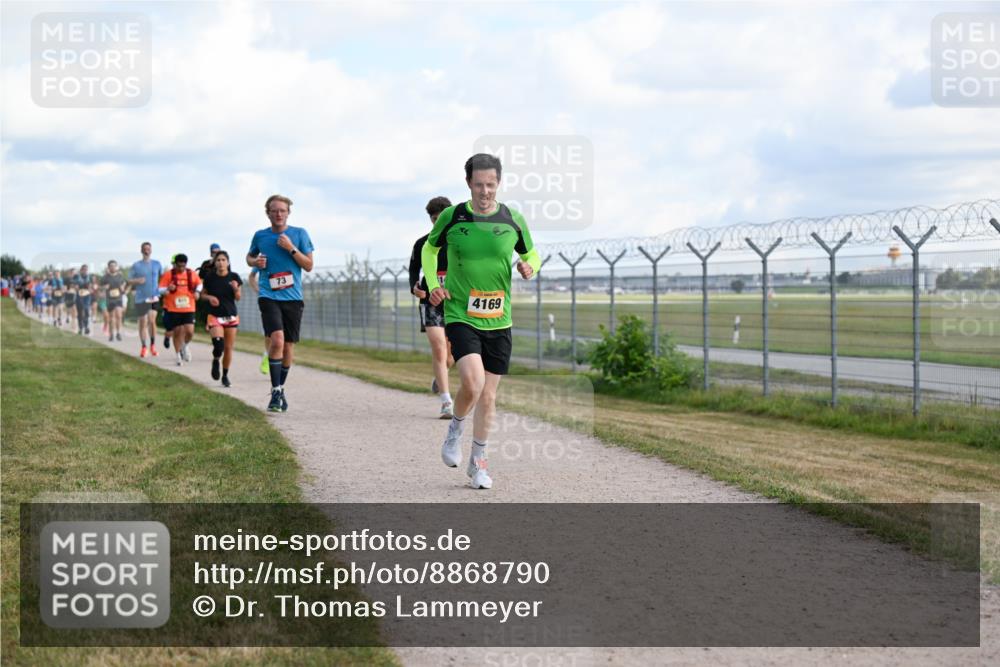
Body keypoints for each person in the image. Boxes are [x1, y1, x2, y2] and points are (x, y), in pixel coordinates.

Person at [421, 153, 541, 490]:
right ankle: (455, 430)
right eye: (479, 185)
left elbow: (531, 252)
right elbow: (430, 251)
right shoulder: (453, 216)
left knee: (488, 397)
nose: (485, 191)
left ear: (498, 183)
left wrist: (531, 266)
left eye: (490, 185)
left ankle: (479, 463)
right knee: (472, 384)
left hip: (499, 318)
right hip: (461, 313)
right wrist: (434, 285)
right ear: (468, 183)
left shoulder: (512, 218)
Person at [246, 194, 314, 412]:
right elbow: (249, 257)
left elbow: (309, 265)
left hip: (293, 298)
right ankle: (275, 392)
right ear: (268, 213)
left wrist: (291, 248)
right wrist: (255, 261)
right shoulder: (260, 236)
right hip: (269, 295)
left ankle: (281, 388)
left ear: (288, 213)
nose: (278, 214)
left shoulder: (299, 234)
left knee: (288, 346)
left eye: (282, 210)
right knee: (276, 340)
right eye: (274, 210)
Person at [409, 195, 455, 418]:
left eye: (441, 218)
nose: (438, 223)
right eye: (434, 219)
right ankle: (446, 401)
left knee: (451, 355)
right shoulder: (422, 244)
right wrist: (414, 288)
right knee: (439, 348)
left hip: (455, 302)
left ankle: (441, 376)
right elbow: (413, 271)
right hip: (430, 301)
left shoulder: (458, 242)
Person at [199, 250, 242, 387]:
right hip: (215, 316)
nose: (221, 262)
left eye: (223, 260)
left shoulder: (234, 277)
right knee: (219, 345)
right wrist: (210, 297)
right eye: (218, 260)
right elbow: (202, 295)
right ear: (215, 263)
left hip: (230, 316)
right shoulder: (210, 278)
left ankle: (225, 375)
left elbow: (238, 297)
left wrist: (235, 289)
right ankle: (216, 359)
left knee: (228, 348)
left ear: (228, 262)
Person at [158, 254, 201, 365]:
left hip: (189, 307)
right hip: (174, 308)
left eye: (183, 266)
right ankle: (178, 356)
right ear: (175, 264)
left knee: (190, 331)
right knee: (177, 332)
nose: (181, 268)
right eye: (179, 266)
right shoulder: (168, 275)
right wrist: (167, 289)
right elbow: (160, 289)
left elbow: (199, 284)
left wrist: (197, 292)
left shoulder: (191, 273)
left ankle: (185, 346)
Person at [129, 242, 163, 357]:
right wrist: (137, 281)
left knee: (152, 320)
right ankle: (144, 346)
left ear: (151, 250)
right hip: (140, 298)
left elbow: (162, 279)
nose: (146, 250)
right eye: (144, 249)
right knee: (142, 323)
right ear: (141, 250)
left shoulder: (157, 264)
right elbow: (129, 280)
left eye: (148, 248)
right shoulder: (136, 265)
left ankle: (153, 345)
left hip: (153, 296)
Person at [247, 267, 269, 375]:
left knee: (285, 338)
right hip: (270, 300)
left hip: (289, 299)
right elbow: (252, 276)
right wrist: (259, 291)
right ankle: (267, 354)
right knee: (270, 334)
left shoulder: (290, 254)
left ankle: (278, 362)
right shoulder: (264, 255)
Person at [101, 260, 128, 342]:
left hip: (118, 298)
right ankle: (111, 334)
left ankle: (118, 333)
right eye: (111, 266)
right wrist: (104, 287)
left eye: (114, 266)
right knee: (111, 317)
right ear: (108, 267)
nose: (113, 267)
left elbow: (123, 286)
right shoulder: (105, 277)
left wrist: (123, 288)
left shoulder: (120, 276)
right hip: (110, 299)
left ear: (116, 267)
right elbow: (100, 287)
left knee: (119, 315)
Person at [74, 265, 93, 335]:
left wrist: (90, 289)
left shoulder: (89, 277)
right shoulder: (77, 276)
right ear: (81, 270)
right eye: (84, 269)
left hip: (87, 296)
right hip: (79, 296)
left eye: (86, 270)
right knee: (80, 312)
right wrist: (78, 289)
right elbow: (75, 286)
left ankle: (86, 327)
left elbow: (91, 286)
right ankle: (80, 328)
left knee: (86, 310)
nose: (85, 271)